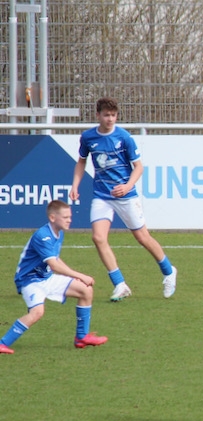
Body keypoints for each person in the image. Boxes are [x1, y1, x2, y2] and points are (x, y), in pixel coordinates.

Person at [69, 97, 177, 302]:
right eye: (106, 115)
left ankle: (169, 271)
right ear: (98, 115)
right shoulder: (88, 137)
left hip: (126, 196)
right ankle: (120, 284)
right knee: (98, 238)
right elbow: (81, 162)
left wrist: (127, 186)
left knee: (142, 237)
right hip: (102, 195)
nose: (110, 119)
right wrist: (75, 185)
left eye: (113, 115)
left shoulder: (124, 137)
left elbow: (139, 167)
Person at [0, 200, 108, 355]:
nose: (69, 220)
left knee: (85, 290)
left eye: (70, 217)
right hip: (30, 281)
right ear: (52, 217)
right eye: (65, 217)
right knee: (37, 312)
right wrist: (80, 275)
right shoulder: (43, 236)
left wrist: (75, 276)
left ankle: (82, 337)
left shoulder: (58, 233)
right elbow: (54, 265)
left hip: (46, 277)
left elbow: (55, 259)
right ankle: (2, 343)